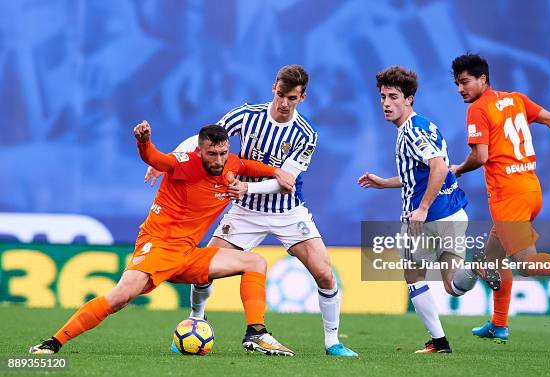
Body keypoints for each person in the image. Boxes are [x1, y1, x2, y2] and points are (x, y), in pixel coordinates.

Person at [29, 122, 295, 356]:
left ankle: (255, 333)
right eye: (212, 154)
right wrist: (143, 142)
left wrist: (275, 172)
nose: (219, 160)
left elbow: (246, 164)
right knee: (121, 297)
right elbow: (155, 159)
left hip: (188, 254)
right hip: (158, 245)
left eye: (223, 153)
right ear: (199, 151)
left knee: (255, 263)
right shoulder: (183, 164)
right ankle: (54, 342)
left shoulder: (230, 164)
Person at [145, 65, 358, 357]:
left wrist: (248, 188)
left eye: (292, 98)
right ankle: (196, 322)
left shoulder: (306, 134)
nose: (284, 103)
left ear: (302, 98)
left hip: (287, 212)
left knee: (324, 273)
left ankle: (333, 342)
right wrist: (165, 161)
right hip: (244, 211)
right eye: (281, 94)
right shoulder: (246, 115)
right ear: (273, 88)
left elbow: (286, 182)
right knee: (202, 271)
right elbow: (205, 139)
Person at [450, 53, 550, 343]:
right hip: (530, 189)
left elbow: (480, 156)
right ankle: (498, 324)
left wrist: (459, 169)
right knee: (493, 260)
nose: (460, 89)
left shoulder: (478, 109)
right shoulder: (516, 99)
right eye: (457, 84)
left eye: (465, 82)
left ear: (482, 80)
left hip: (508, 197)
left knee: (525, 263)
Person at [358, 66, 500, 353]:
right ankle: (476, 266)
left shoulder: (410, 131)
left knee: (413, 276)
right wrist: (385, 182)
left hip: (425, 220)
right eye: (383, 97)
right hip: (454, 213)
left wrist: (422, 208)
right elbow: (429, 171)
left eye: (393, 97)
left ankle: (439, 342)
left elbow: (438, 166)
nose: (386, 103)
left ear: (409, 99)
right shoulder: (426, 125)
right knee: (453, 284)